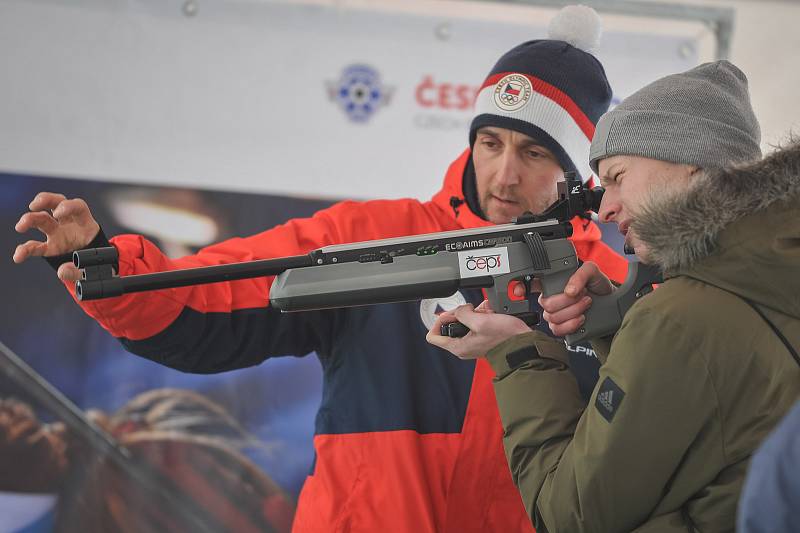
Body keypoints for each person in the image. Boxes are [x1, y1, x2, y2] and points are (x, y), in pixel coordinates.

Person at [13, 7, 630, 531]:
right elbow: (208, 304)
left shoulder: (608, 290)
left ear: (580, 172)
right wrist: (94, 259)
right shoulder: (374, 237)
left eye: (535, 151)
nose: (504, 173)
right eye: (490, 142)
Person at [428, 60, 800, 532]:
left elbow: (572, 515)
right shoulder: (770, 281)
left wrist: (516, 353)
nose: (605, 207)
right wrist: (616, 328)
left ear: (692, 165)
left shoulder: (680, 318)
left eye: (619, 176)